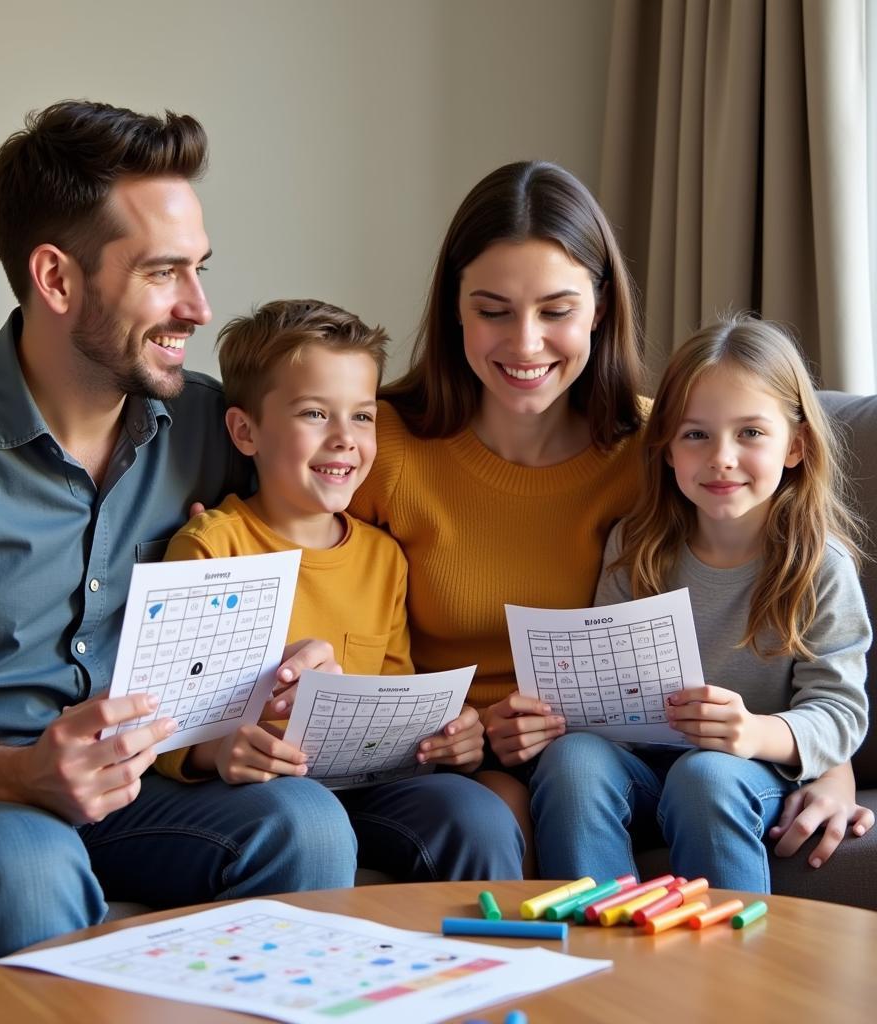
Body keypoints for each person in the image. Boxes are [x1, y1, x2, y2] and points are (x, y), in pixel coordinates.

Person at [0, 101, 358, 1024]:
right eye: (164, 273)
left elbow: (333, 496)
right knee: (29, 861)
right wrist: (19, 778)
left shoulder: (214, 425)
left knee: (306, 824)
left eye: (199, 270)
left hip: (144, 790)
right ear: (55, 276)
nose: (199, 310)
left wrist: (296, 665)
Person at [348, 159, 874, 875]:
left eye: (556, 311)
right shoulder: (376, 447)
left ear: (599, 308)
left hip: (611, 749)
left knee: (631, 773)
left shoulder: (661, 451)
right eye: (492, 309)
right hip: (463, 756)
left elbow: (824, 690)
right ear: (454, 310)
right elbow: (297, 551)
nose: (526, 344)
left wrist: (825, 764)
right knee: (514, 802)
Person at [157, 299, 524, 881]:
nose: (344, 439)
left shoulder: (383, 558)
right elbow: (165, 723)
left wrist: (449, 738)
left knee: (475, 812)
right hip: (260, 791)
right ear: (245, 431)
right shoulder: (209, 547)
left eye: (361, 416)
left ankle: (486, 966)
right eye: (313, 414)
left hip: (366, 784)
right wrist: (217, 751)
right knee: (306, 815)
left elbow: (400, 701)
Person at [529, 315, 871, 890]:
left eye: (751, 433)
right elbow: (604, 688)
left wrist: (754, 734)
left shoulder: (820, 565)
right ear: (665, 451)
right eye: (696, 434)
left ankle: (729, 973)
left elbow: (839, 712)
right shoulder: (636, 546)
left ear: (796, 446)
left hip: (748, 768)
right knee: (573, 762)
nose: (721, 457)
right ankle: (595, 952)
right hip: (642, 760)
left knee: (705, 774)